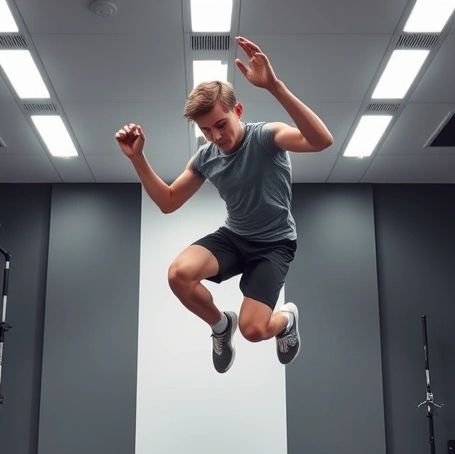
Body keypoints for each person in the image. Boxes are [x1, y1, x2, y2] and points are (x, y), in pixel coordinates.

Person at [115, 36, 333, 374]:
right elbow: (168, 202)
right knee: (179, 274)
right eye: (205, 130)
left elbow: (322, 140)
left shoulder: (267, 137)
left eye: (221, 124)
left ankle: (287, 319)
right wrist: (138, 158)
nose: (216, 136)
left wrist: (275, 87)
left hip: (274, 244)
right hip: (234, 237)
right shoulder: (206, 157)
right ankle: (219, 326)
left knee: (254, 330)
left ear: (238, 111)